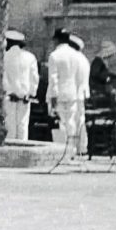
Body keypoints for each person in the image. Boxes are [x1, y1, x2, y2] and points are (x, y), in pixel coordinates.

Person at [47, 29, 87, 157]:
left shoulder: (54, 55)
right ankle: (72, 150)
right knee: (71, 122)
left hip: (59, 94)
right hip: (72, 93)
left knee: (60, 123)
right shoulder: (75, 55)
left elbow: (53, 79)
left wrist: (53, 97)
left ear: (57, 40)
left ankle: (62, 151)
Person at [2, 29, 39, 142]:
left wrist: (8, 91)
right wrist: (31, 93)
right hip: (24, 97)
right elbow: (34, 78)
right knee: (22, 126)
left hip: (9, 97)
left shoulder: (4, 56)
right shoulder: (30, 57)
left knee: (9, 126)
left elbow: (3, 76)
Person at [69, 35, 91, 155]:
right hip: (81, 94)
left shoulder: (73, 58)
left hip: (72, 94)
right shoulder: (84, 59)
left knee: (71, 122)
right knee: (80, 121)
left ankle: (71, 149)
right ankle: (82, 147)